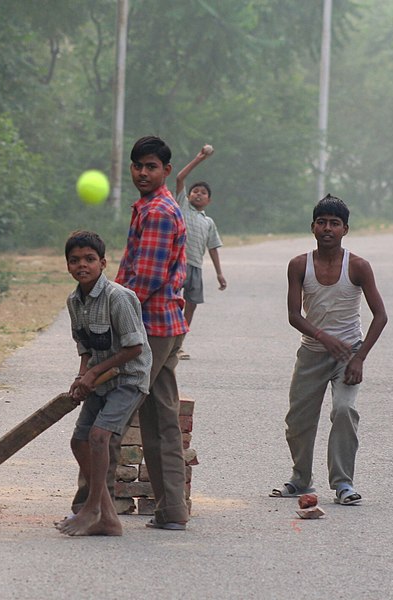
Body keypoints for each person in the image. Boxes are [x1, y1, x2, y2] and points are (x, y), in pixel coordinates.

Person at [270, 194, 388, 505]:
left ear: (345, 229)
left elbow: (381, 315)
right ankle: (301, 479)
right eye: (322, 222)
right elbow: (295, 315)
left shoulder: (358, 266)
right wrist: (324, 338)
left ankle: (343, 484)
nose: (327, 228)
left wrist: (359, 358)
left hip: (348, 355)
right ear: (312, 227)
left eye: (334, 223)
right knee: (299, 420)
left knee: (344, 411)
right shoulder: (299, 265)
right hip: (312, 352)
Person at [114, 135, 190, 530]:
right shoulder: (146, 206)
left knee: (111, 412)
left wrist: (111, 316)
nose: (142, 173)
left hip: (151, 327)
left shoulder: (160, 211)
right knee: (161, 421)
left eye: (151, 167)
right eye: (137, 165)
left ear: (166, 171)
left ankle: (92, 507)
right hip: (158, 325)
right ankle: (171, 511)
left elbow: (145, 279)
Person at [56, 230, 152, 536]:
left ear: (103, 263)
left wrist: (93, 375)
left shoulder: (118, 297)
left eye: (89, 259)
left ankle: (93, 509)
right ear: (67, 265)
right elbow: (85, 347)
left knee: (99, 437)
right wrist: (82, 376)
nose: (82, 265)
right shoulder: (74, 301)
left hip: (129, 378)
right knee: (79, 441)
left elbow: (134, 348)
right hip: (100, 379)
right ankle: (109, 519)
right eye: (74, 261)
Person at [174, 144, 227, 360]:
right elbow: (179, 178)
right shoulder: (182, 207)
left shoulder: (208, 222)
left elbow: (213, 247)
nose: (198, 194)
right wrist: (199, 158)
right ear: (188, 195)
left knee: (191, 305)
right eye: (195, 191)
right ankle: (168, 341)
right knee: (173, 303)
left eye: (203, 193)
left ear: (209, 200)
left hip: (195, 267)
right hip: (177, 264)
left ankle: (178, 344)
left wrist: (219, 273)